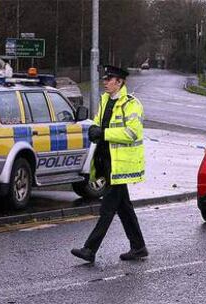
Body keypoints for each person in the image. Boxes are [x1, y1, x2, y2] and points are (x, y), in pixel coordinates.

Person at [71, 65, 148, 263]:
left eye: (109, 79)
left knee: (107, 208)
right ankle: (138, 247)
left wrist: (103, 133)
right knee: (124, 208)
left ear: (120, 82)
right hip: (106, 160)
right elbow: (98, 122)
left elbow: (132, 133)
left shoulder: (131, 104)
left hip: (120, 164)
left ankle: (90, 249)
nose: (105, 82)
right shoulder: (105, 100)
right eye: (105, 78)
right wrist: (93, 129)